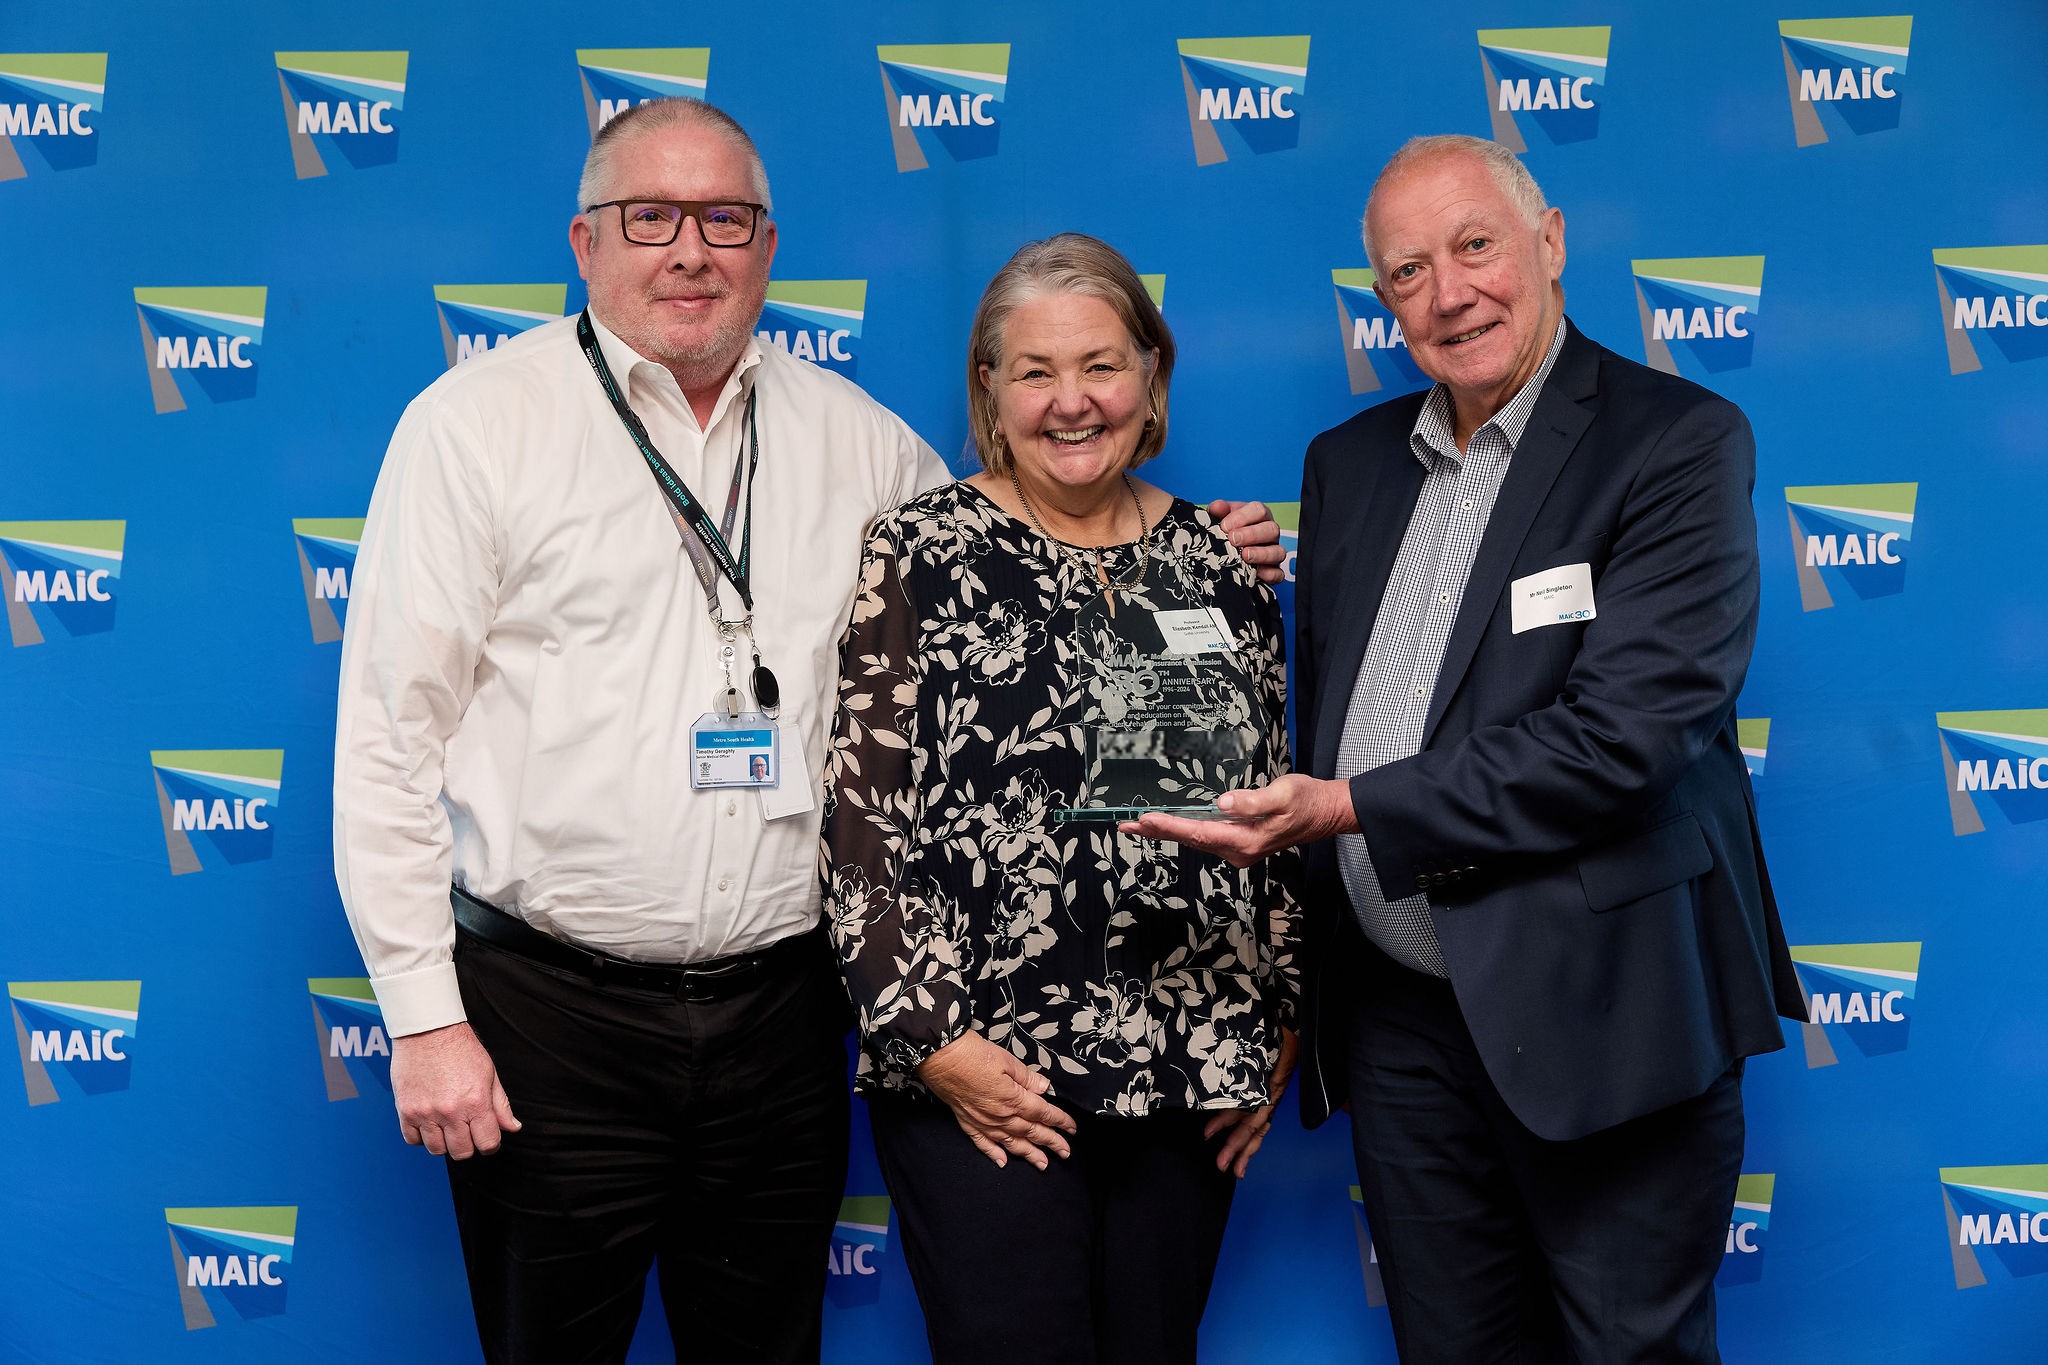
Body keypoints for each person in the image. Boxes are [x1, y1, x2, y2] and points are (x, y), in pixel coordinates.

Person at [331, 101, 1284, 1364]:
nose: (689, 250)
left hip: (781, 1020)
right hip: (553, 1016)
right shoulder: (473, 430)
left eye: (723, 219)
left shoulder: (861, 444)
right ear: (585, 240)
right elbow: (389, 739)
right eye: (649, 219)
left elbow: (1043, 558)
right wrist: (423, 1019)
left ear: (766, 245)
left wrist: (1187, 554)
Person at [1128, 136, 1806, 1363]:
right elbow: (1324, 702)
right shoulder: (1347, 467)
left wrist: (1344, 810)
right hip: (1401, 1028)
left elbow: (1620, 740)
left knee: (1627, 1348)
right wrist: (1193, 572)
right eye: (1404, 273)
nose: (1447, 294)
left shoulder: (1674, 441)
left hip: (1605, 1008)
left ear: (1547, 244)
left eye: (1474, 246)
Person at [821, 233, 1301, 1365]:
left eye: (1099, 364)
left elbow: (1268, 814)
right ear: (989, 390)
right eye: (1033, 371)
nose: (1070, 401)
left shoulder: (1219, 564)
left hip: (1189, 1063)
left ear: (1150, 375)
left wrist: (1274, 1027)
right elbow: (860, 827)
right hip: (985, 1074)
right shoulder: (918, 550)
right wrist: (933, 1044)